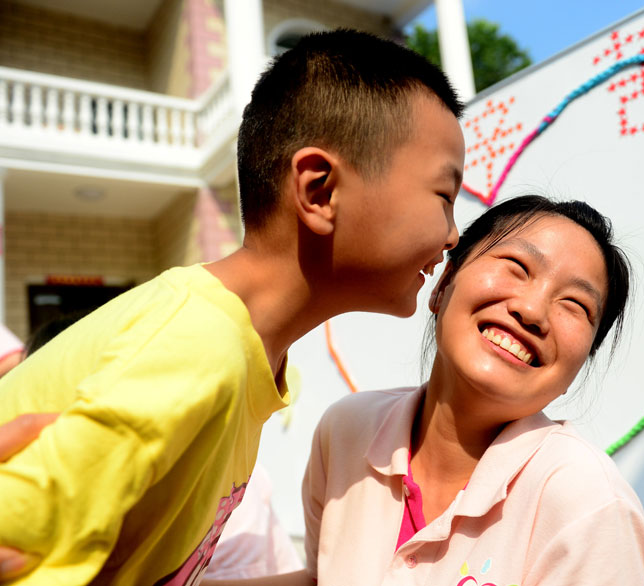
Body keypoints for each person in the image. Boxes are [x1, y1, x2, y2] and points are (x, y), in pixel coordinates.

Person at [0, 28, 463, 585]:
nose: (453, 235)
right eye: (444, 196)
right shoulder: (199, 346)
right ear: (319, 191)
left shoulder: (243, 355)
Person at [300, 195, 644, 585]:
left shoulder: (589, 505)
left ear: (580, 363)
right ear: (442, 286)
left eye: (574, 304)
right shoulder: (346, 431)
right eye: (517, 268)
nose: (532, 312)